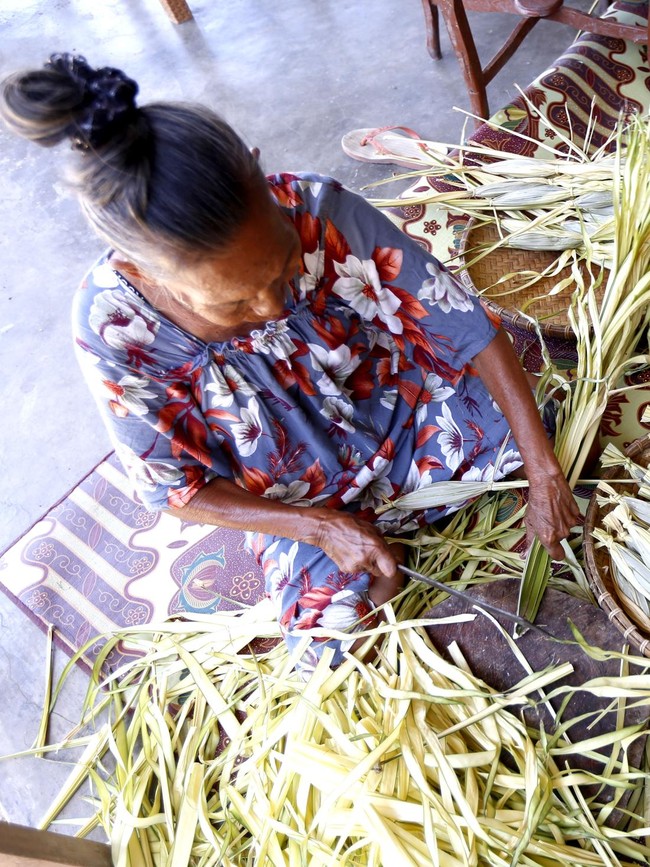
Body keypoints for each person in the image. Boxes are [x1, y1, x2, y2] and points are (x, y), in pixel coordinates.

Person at [1, 54, 580, 671]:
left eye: (280, 268)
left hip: (404, 417)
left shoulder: (316, 207)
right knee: (330, 652)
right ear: (141, 272)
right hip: (299, 499)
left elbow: (464, 327)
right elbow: (178, 491)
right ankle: (362, 553)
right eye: (235, 301)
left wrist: (544, 471)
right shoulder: (113, 328)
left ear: (258, 170)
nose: (274, 306)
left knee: (552, 441)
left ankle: (450, 494)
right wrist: (318, 529)